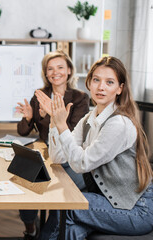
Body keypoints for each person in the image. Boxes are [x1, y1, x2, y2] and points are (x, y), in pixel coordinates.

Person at [39, 56, 153, 239]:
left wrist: (62, 126)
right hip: (108, 202)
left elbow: (81, 164)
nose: (101, 87)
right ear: (89, 83)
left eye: (109, 82)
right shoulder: (89, 119)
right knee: (71, 229)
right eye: (96, 80)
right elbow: (59, 157)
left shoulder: (119, 124)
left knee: (66, 206)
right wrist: (54, 122)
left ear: (119, 88)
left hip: (137, 210)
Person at [15, 50, 90, 239]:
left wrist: (49, 114)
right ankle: (30, 228)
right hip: (44, 151)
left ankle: (51, 231)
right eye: (50, 69)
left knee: (58, 189)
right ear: (45, 73)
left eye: (60, 67)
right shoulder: (39, 95)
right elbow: (23, 131)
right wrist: (30, 117)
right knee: (25, 179)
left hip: (67, 152)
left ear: (69, 70)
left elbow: (72, 131)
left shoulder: (80, 98)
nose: (55, 72)